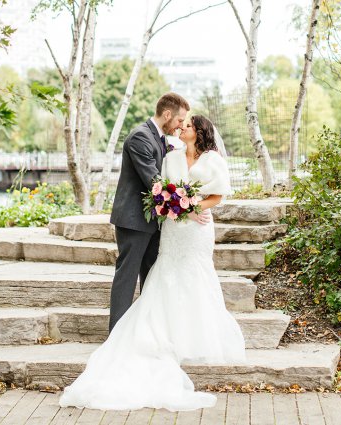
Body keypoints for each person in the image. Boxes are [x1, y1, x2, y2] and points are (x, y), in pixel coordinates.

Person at [59, 114, 246, 412]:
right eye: (181, 124)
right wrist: (180, 206)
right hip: (173, 227)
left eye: (187, 126)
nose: (181, 128)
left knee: (196, 275)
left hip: (198, 229)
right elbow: (161, 190)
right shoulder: (171, 158)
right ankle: (160, 333)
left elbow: (218, 195)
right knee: (166, 272)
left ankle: (195, 333)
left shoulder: (212, 159)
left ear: (198, 132)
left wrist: (195, 206)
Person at [108, 93, 209, 332]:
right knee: (127, 277)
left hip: (155, 221)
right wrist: (189, 208)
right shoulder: (140, 137)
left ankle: (144, 331)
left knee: (151, 278)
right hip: (133, 222)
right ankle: (117, 335)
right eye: (179, 119)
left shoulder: (161, 138)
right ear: (167, 115)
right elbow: (155, 183)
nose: (180, 125)